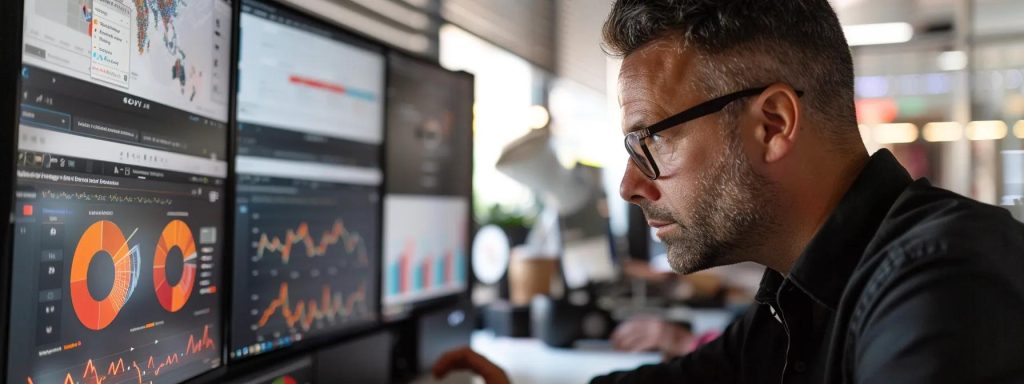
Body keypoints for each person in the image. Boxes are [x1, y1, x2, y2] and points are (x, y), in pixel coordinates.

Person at [434, 0, 1024, 383]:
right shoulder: (798, 293)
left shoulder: (944, 282)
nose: (629, 185)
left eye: (651, 142)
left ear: (771, 126)